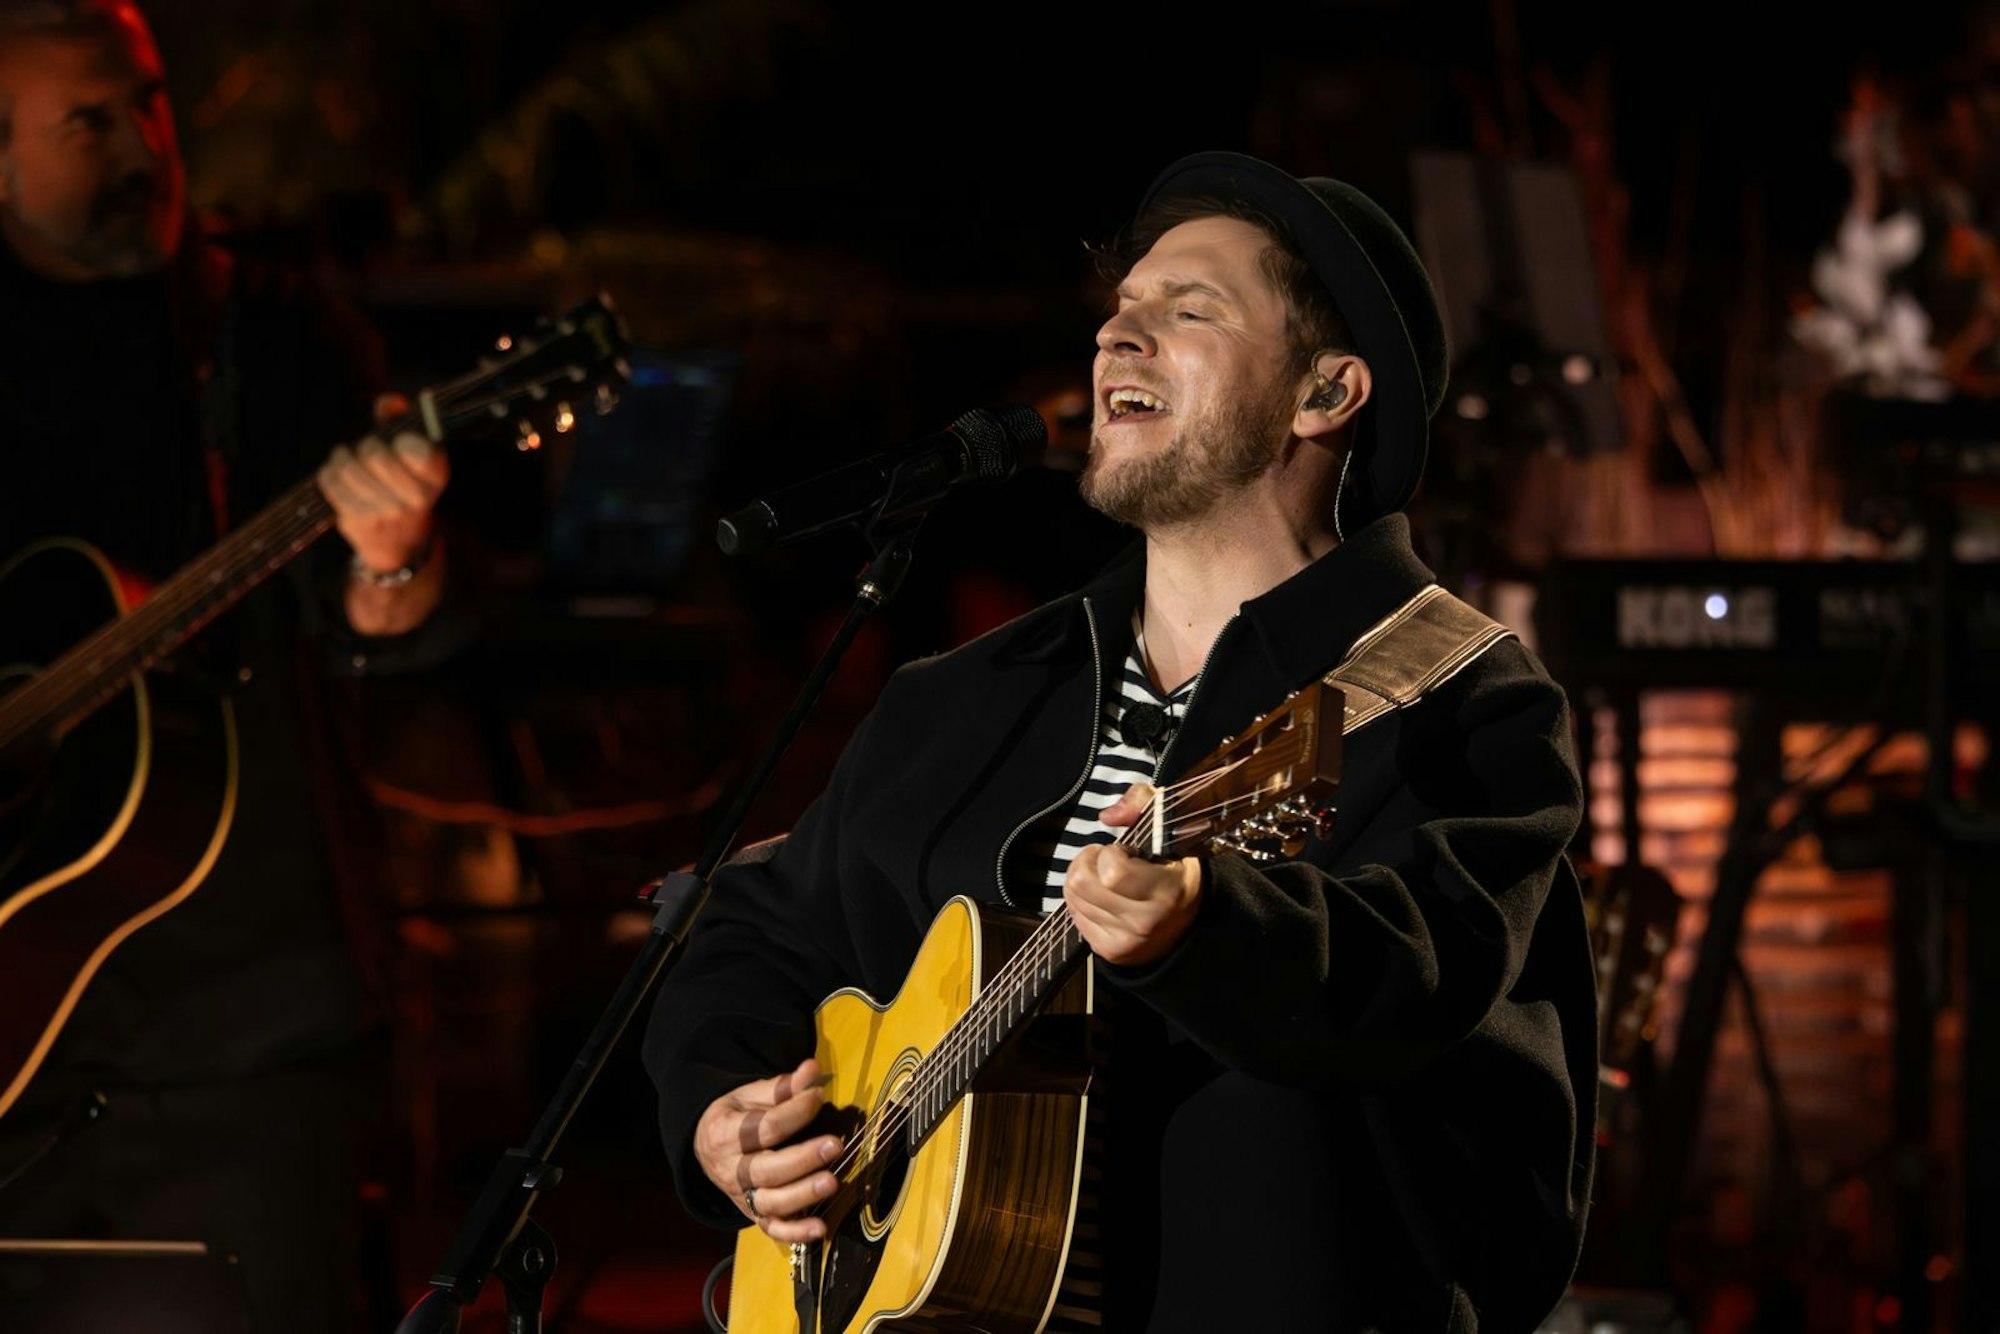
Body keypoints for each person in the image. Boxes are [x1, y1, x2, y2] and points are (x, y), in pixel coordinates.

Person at [643, 150, 1597, 1331]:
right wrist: (723, 1108)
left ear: (1325, 392)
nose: (1115, 340)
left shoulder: (1456, 697)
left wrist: (1206, 927)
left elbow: (1420, 978)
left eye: (1185, 312)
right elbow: (756, 923)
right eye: (1118, 313)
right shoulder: (966, 697)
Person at [0, 2, 453, 1330]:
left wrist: (391, 555)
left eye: (149, 103)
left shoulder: (277, 337)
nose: (145, 144)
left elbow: (391, 636)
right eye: (91, 119)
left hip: (240, 1038)